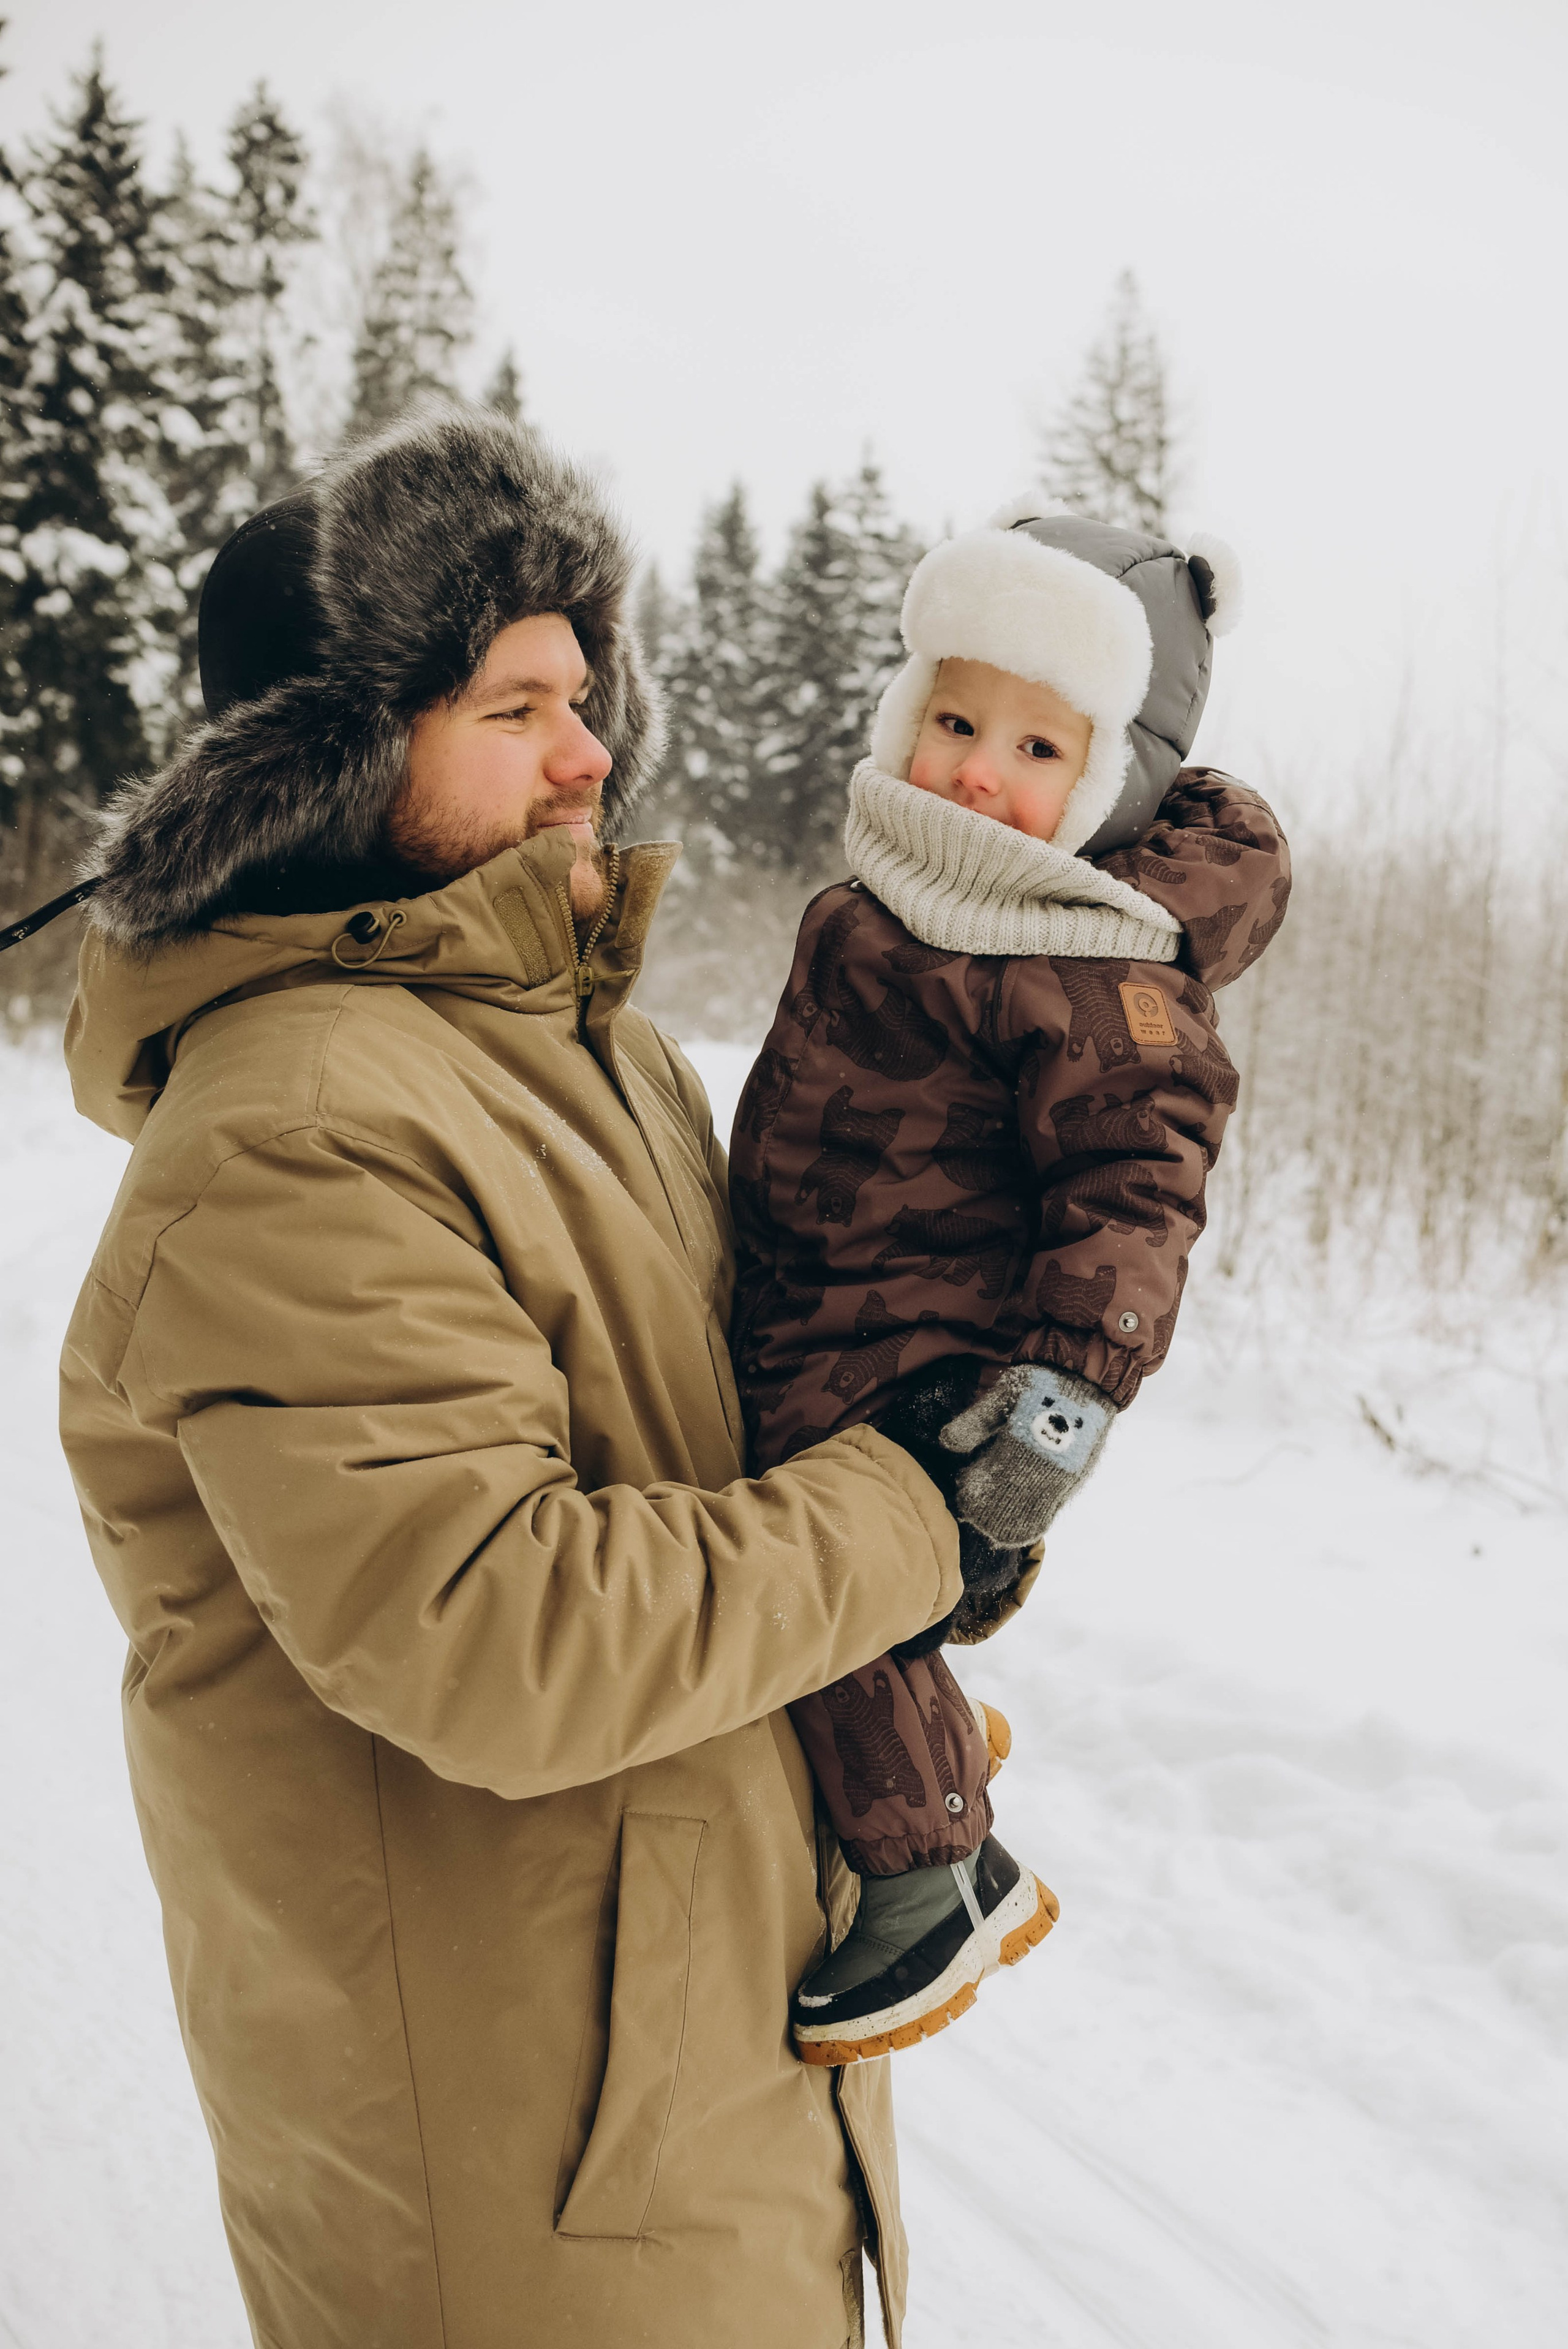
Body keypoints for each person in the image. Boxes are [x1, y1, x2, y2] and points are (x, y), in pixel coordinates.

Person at [56, 404, 967, 2349]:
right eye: (516, 706)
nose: (592, 754)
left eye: (589, 690)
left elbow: (729, 1459)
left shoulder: (590, 1051)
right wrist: (912, 1515)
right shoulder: (299, 1124)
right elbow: (504, 1633)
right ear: (328, 762)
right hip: (518, 2169)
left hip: (682, 2072)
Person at [728, 503, 1291, 2065]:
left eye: (1038, 749)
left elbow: (1138, 1198)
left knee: (818, 1589)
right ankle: (923, 1762)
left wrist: (1056, 1405)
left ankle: (931, 1873)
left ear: (1108, 781)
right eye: (956, 718)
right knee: (758, 1561)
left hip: (932, 1370)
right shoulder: (875, 897)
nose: (980, 768)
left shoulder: (1097, 967)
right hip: (798, 1310)